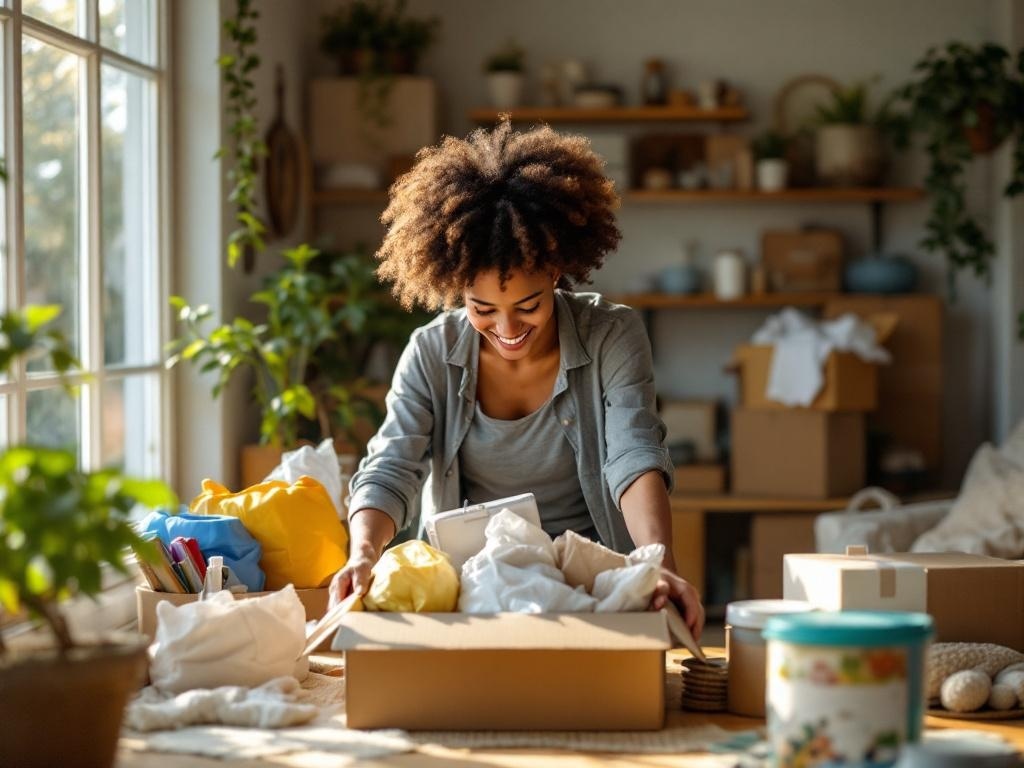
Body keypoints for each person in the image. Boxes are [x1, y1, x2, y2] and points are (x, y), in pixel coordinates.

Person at [330, 119, 705, 639]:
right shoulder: (431, 352)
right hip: (473, 588)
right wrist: (364, 555)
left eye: (528, 306)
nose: (506, 330)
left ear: (555, 274)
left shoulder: (611, 336)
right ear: (455, 285)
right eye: (482, 309)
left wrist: (657, 562)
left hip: (591, 586)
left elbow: (633, 452)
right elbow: (392, 465)